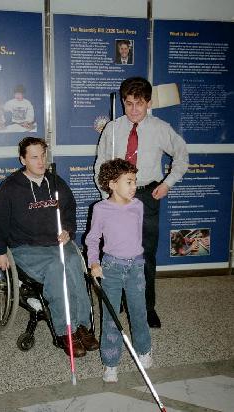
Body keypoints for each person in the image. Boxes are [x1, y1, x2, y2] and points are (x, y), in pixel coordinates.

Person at [0, 136, 99, 357]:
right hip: (26, 247)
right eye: (34, 157)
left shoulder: (56, 182)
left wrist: (67, 229)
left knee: (74, 263)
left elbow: (69, 210)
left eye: (43, 155)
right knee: (57, 268)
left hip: (56, 242)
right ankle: (64, 331)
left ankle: (81, 326)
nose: (41, 162)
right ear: (23, 160)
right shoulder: (10, 187)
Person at [94, 77, 189, 328]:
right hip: (115, 198)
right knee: (114, 253)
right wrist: (108, 198)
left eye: (139, 103)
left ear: (148, 102)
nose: (133, 109)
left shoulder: (160, 128)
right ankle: (120, 302)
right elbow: (100, 165)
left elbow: (182, 155)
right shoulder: (112, 129)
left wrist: (167, 183)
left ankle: (147, 308)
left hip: (146, 196)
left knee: (144, 255)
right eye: (128, 103)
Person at [86, 158, 152, 383]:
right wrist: (94, 262)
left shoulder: (138, 206)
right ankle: (111, 362)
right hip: (111, 268)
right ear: (112, 184)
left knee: (139, 312)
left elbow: (135, 235)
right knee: (111, 316)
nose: (134, 187)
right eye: (129, 182)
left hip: (135, 266)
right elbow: (93, 239)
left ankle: (144, 350)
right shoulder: (100, 209)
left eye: (135, 181)